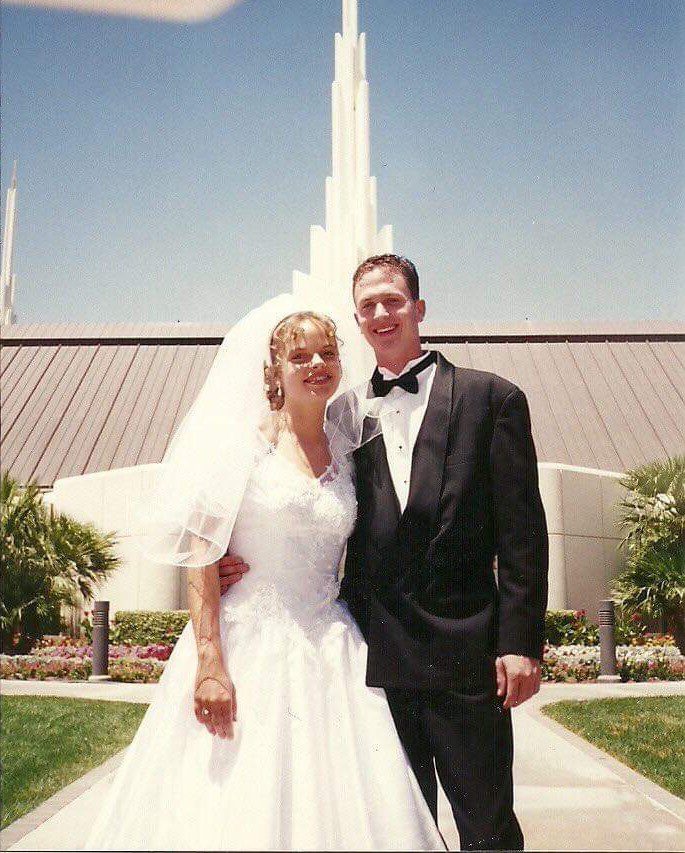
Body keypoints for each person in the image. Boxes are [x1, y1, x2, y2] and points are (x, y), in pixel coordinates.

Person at [85, 297, 445, 852]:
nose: (315, 365)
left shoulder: (349, 448)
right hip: (246, 642)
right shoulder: (243, 446)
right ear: (274, 369)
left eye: (327, 352)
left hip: (332, 645)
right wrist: (209, 663)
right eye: (299, 356)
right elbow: (203, 557)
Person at [221, 256, 549, 851]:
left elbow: (522, 534)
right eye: (367, 305)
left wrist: (520, 643)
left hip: (468, 657)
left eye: (393, 301)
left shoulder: (490, 398)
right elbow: (303, 505)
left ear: (419, 309)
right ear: (357, 319)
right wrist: (243, 556)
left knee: (487, 822)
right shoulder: (341, 416)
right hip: (377, 659)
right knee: (396, 825)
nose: (381, 314)